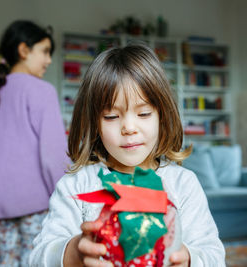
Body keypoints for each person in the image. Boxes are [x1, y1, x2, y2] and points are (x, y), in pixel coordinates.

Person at [29, 43, 225, 266]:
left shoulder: (183, 184)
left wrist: (190, 260)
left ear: (162, 115)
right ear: (94, 124)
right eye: (111, 116)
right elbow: (37, 258)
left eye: (143, 113)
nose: (129, 127)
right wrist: (74, 254)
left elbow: (214, 254)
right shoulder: (75, 186)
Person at [0, 20, 69, 267]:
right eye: (45, 51)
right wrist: (65, 194)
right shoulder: (42, 90)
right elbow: (52, 155)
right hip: (34, 201)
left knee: (7, 260)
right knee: (35, 260)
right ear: (24, 50)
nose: (49, 60)